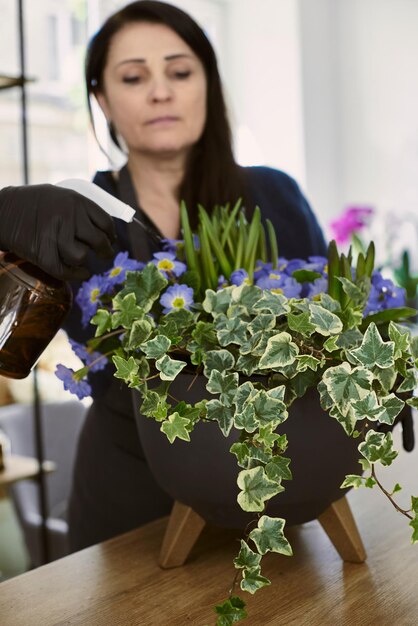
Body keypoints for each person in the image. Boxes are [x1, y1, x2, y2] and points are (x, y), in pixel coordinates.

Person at [0, 0, 329, 551]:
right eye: (133, 77)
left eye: (179, 72)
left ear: (208, 85)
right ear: (102, 98)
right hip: (128, 500)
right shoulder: (72, 217)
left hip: (270, 497)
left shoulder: (275, 197)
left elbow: (334, 326)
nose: (161, 92)